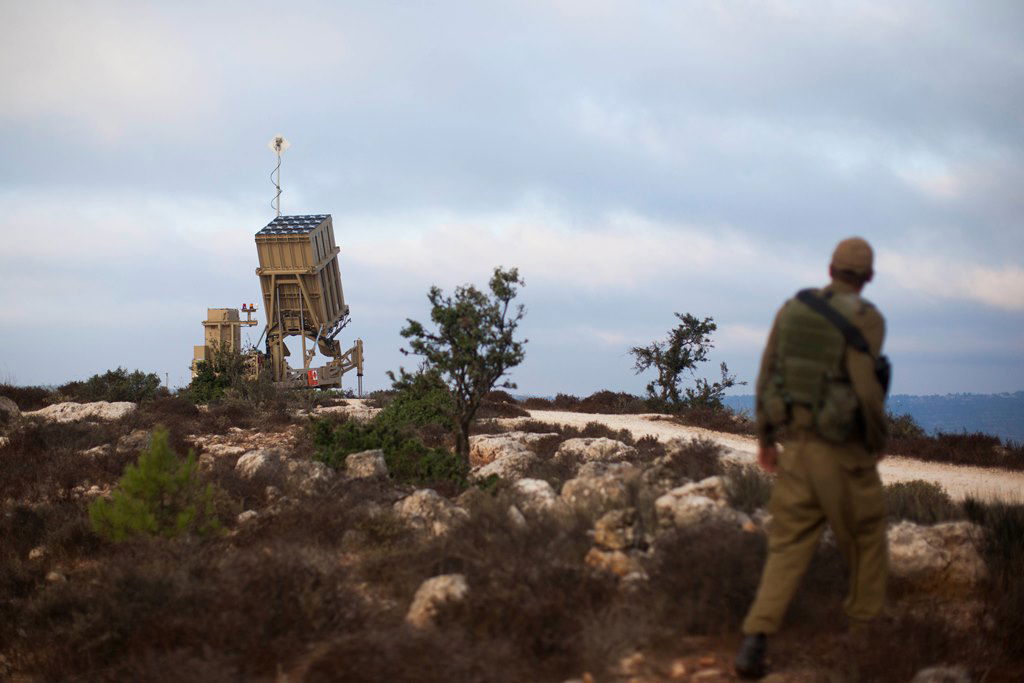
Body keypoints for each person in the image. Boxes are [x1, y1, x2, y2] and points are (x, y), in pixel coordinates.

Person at [734, 237, 890, 679]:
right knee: (866, 542)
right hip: (845, 455)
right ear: (869, 278)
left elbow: (767, 373)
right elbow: (865, 387)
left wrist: (766, 437)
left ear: (829, 269)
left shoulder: (793, 309)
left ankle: (754, 641)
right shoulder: (868, 319)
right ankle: (866, 644)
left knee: (786, 547)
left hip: (797, 451)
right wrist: (878, 439)